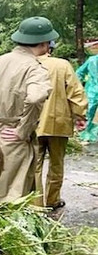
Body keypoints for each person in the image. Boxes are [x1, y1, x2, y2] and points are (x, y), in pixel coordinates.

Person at [0, 17, 55, 206]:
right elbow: (35, 97)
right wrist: (23, 130)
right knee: (9, 200)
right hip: (12, 138)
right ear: (43, 43)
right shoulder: (34, 68)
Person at [35, 41, 87, 209]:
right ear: (50, 48)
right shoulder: (62, 65)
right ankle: (52, 199)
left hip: (31, 124)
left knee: (33, 166)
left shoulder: (25, 64)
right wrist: (80, 115)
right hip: (58, 123)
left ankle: (35, 203)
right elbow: (75, 92)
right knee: (56, 164)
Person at [76, 54, 98, 144]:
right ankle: (85, 133)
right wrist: (77, 86)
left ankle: (91, 133)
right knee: (89, 112)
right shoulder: (92, 60)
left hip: (92, 90)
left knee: (89, 112)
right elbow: (79, 73)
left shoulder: (92, 60)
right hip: (92, 90)